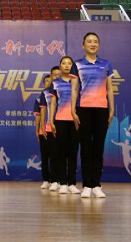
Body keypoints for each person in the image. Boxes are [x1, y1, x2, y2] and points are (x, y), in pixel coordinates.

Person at [69, 32, 114, 199]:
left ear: (99, 45)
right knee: (86, 147)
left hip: (101, 109)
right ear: (83, 45)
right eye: (89, 41)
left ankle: (97, 185)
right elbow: (74, 89)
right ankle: (87, 185)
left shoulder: (106, 64)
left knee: (98, 147)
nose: (92, 44)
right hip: (84, 109)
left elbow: (110, 88)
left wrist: (111, 109)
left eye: (95, 41)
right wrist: (72, 110)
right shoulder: (77, 64)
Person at [49, 57, 81, 195]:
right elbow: (53, 104)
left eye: (69, 63)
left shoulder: (78, 82)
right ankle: (62, 183)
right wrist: (51, 121)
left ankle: (72, 183)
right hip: (60, 120)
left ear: (73, 66)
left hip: (75, 120)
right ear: (60, 66)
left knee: (73, 152)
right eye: (64, 63)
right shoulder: (55, 83)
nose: (67, 66)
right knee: (61, 152)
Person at [33, 75, 52, 190]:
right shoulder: (39, 98)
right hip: (43, 131)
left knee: (56, 156)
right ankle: (46, 180)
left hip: (54, 130)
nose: (49, 83)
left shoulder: (58, 95)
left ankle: (56, 180)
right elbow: (38, 116)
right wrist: (37, 130)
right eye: (46, 81)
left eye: (51, 81)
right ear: (43, 84)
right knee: (45, 157)